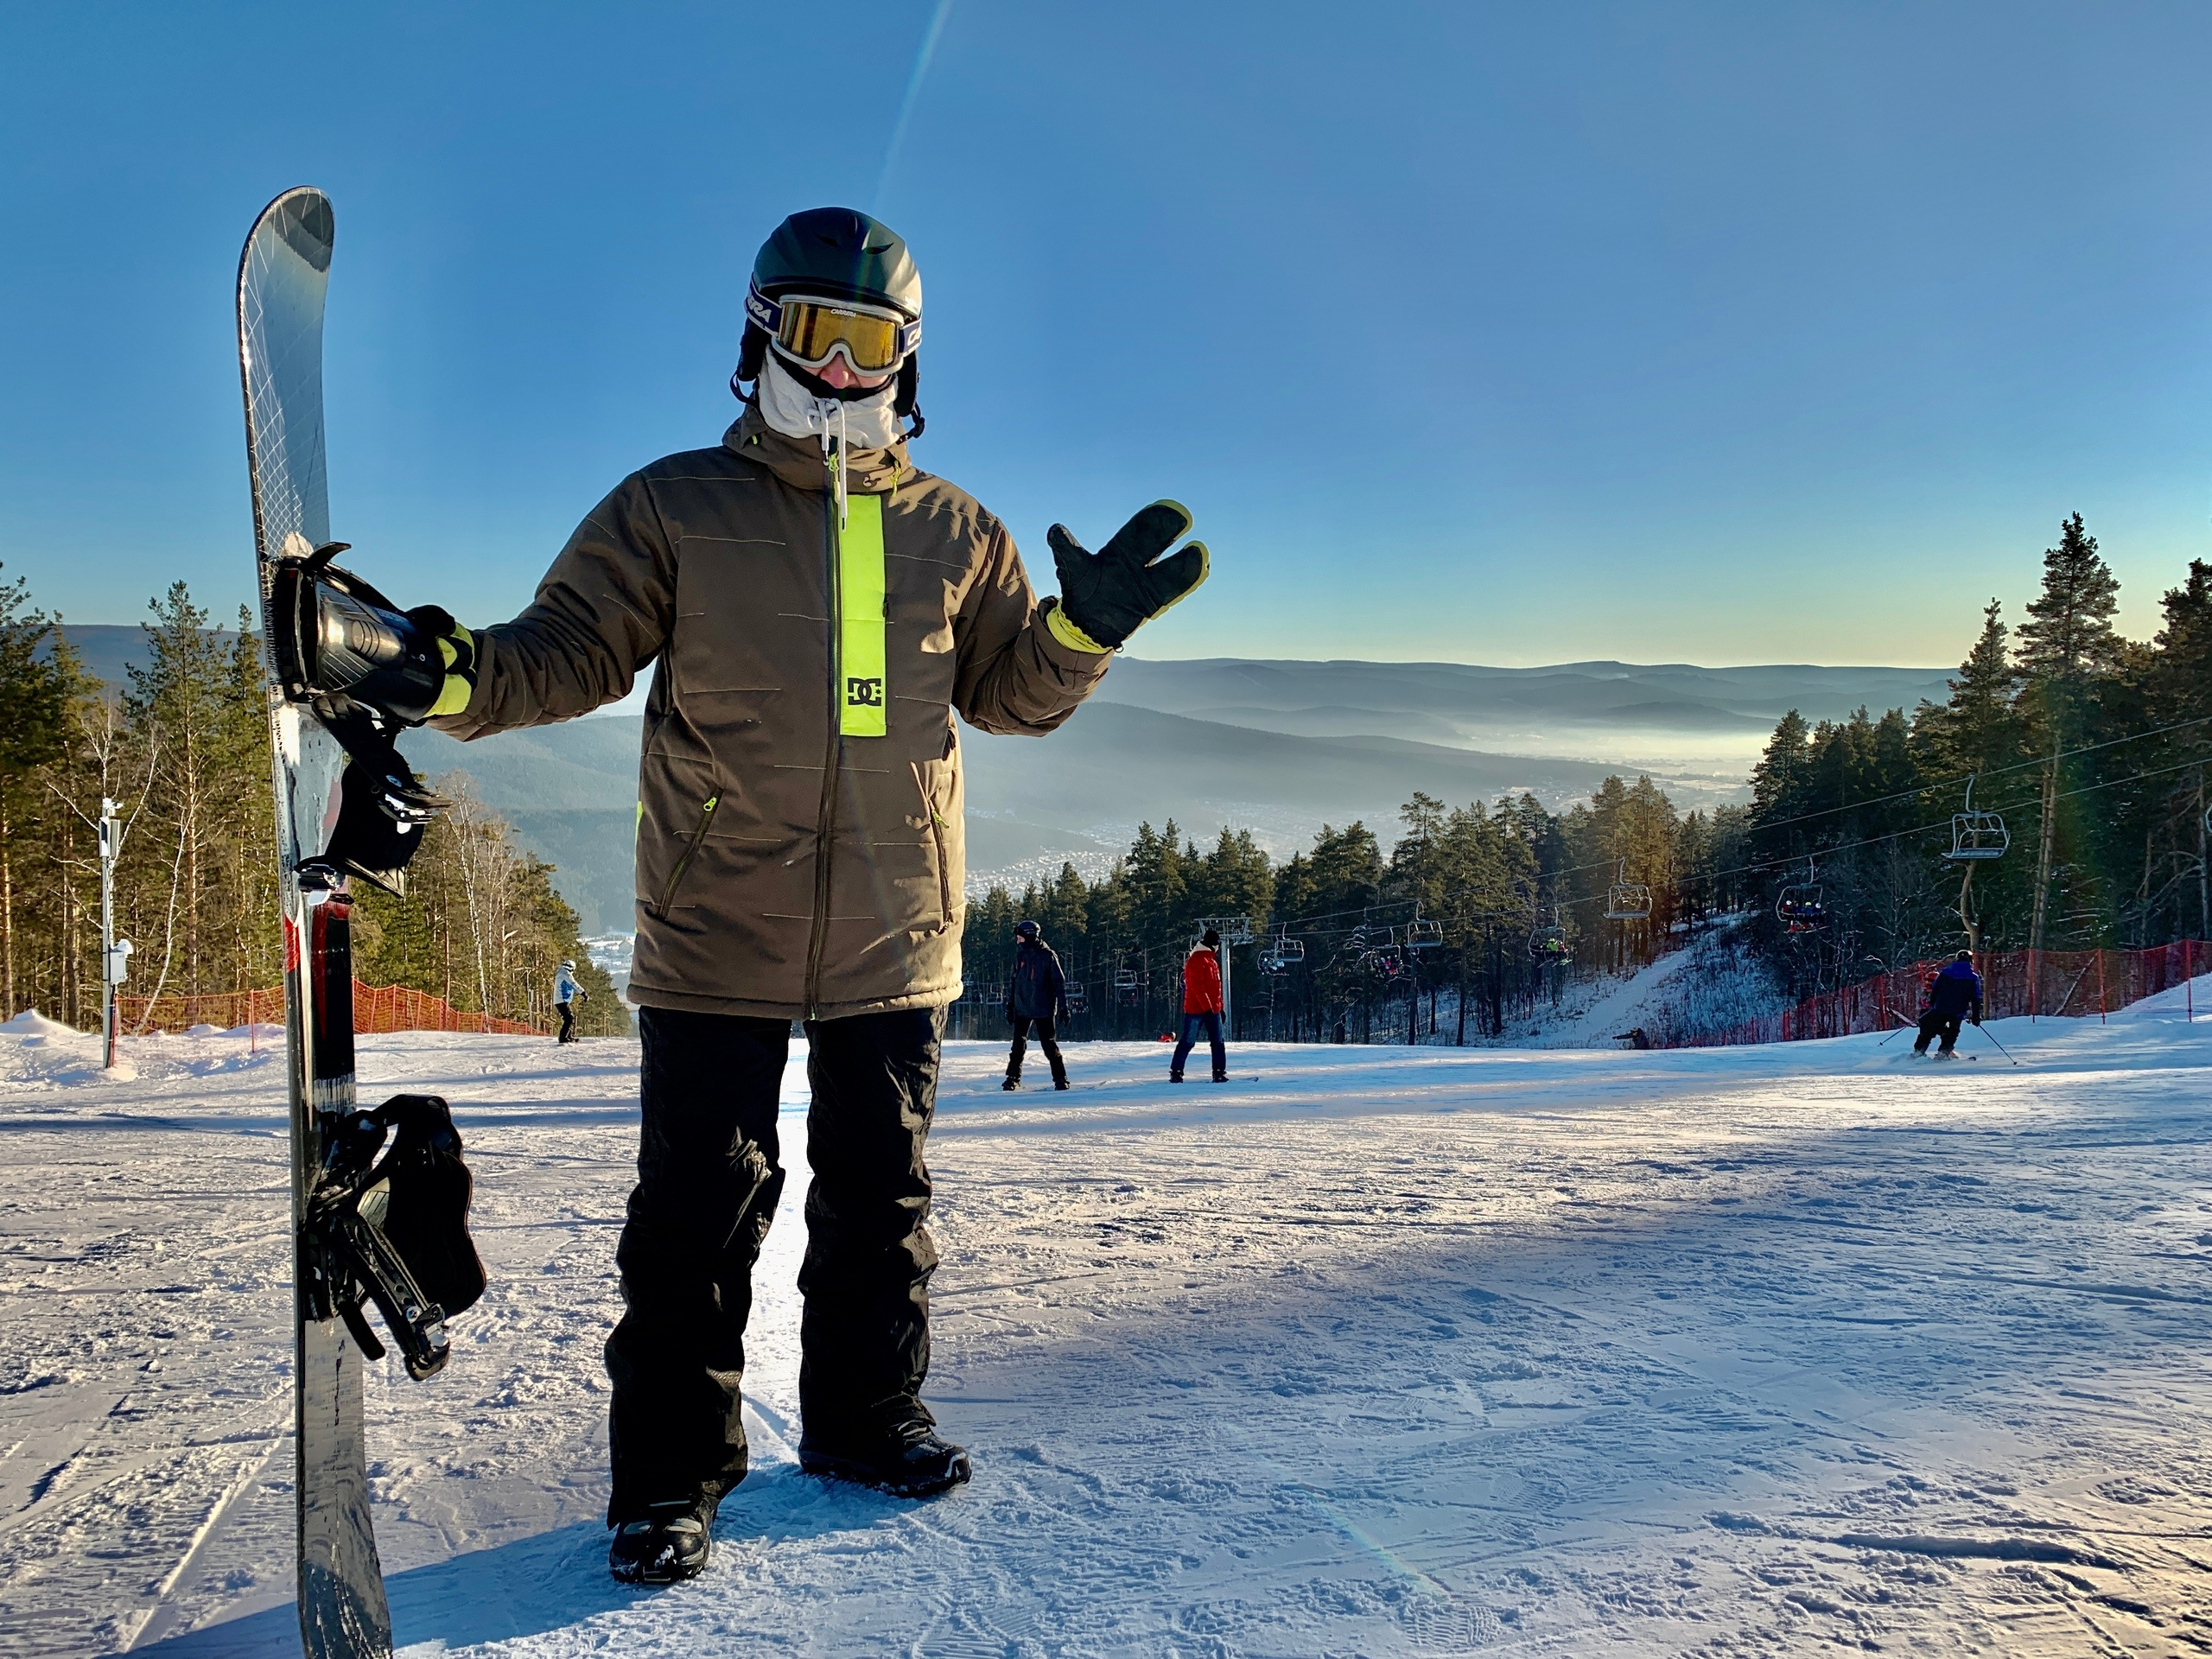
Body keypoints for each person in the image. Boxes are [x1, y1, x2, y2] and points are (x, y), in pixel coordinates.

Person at [273, 207, 1210, 1585]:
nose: (840, 372)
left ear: (908, 359)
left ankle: (868, 1421)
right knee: (696, 1219)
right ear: (762, 333)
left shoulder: (956, 530)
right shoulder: (673, 507)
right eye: (817, 336)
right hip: (717, 923)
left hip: (896, 931)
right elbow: (566, 651)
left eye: (871, 344)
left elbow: (1010, 697)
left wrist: (1079, 632)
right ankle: (670, 1476)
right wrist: (440, 671)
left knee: (882, 1205)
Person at [1003, 919, 1071, 1090]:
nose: (1018, 941)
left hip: (1043, 1008)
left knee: (1049, 1044)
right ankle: (1012, 1078)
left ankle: (1060, 1079)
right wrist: (1010, 1006)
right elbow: (1014, 982)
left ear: (1030, 936)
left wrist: (1064, 1007)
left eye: (1020, 938)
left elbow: (1059, 983)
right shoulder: (1020, 956)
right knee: (1018, 1045)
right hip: (1022, 1007)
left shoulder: (1048, 956)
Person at [1170, 928, 1227, 1083]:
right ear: (1212, 944)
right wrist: (1208, 1008)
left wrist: (1220, 1007)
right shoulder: (1196, 960)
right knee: (1188, 1041)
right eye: (1217, 944)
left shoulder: (1211, 961)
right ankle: (1176, 1071)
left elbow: (1216, 989)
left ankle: (1219, 1072)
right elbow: (1197, 988)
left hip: (1213, 1009)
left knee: (1218, 1042)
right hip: (1196, 1010)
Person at [1915, 949, 1984, 1058]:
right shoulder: (1973, 978)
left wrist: (1933, 1004)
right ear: (1970, 961)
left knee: (1930, 1029)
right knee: (1953, 1031)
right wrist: (1976, 1016)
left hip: (1940, 1007)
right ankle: (1943, 1052)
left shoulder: (1945, 972)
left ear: (1956, 959)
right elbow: (1976, 998)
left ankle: (1919, 1051)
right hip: (1958, 1010)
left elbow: (1935, 988)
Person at [555, 959, 582, 1044]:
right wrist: (583, 993)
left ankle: (568, 1036)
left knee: (568, 1018)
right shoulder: (566, 974)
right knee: (569, 1018)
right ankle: (563, 1038)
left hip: (561, 1000)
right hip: (562, 1000)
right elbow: (574, 984)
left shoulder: (561, 973)